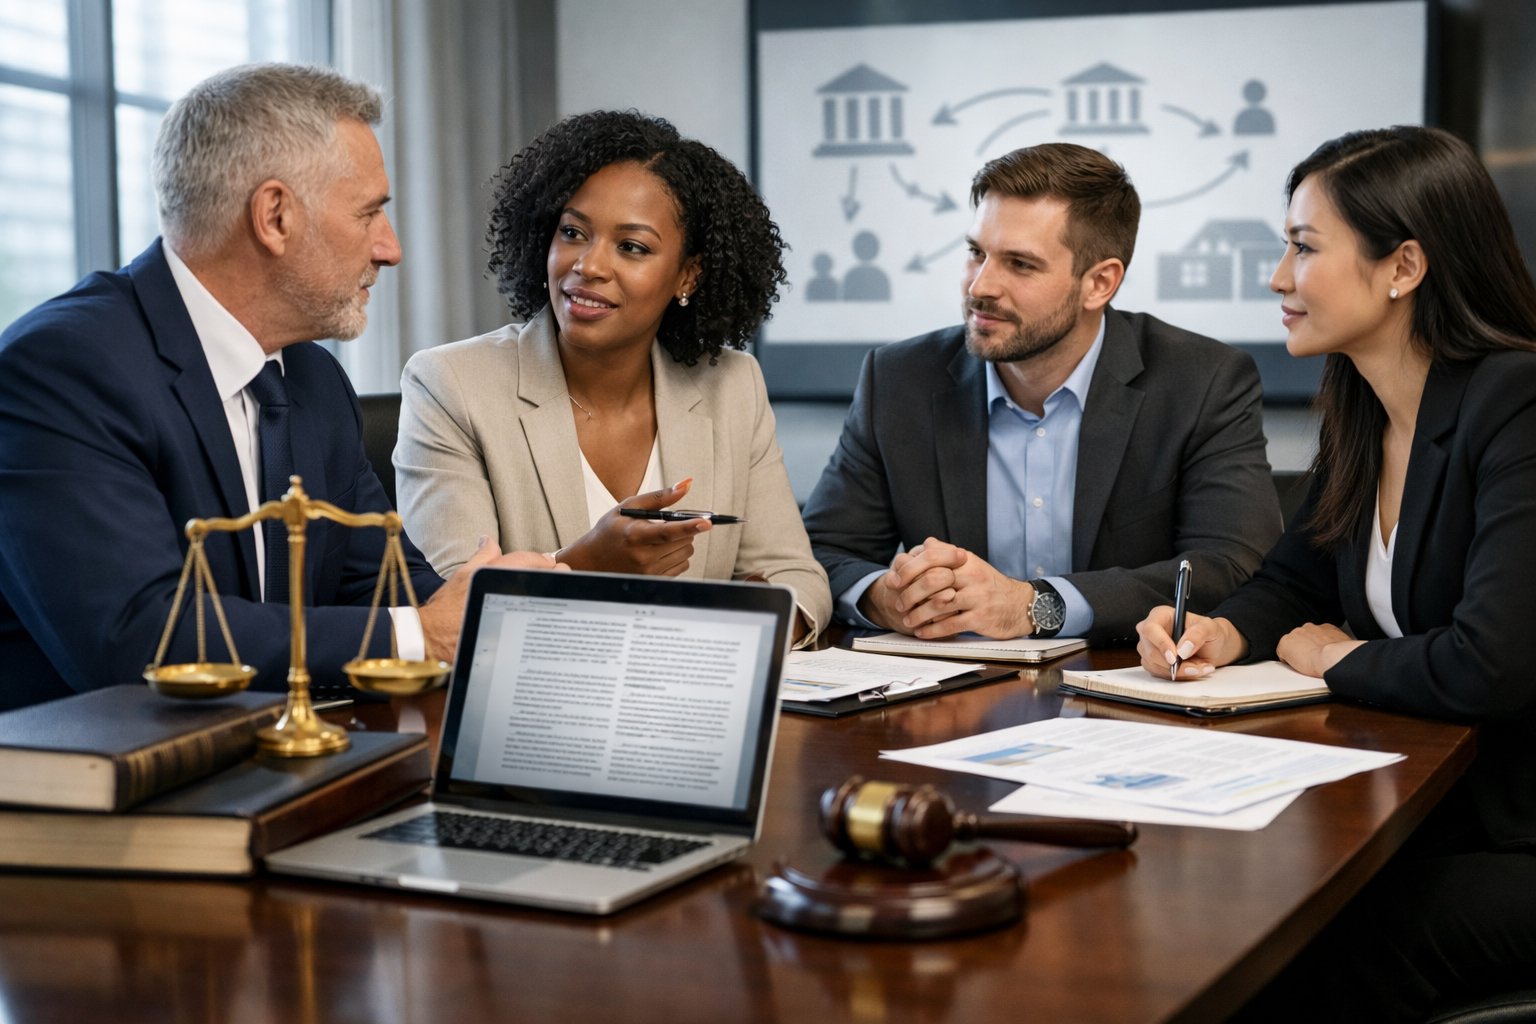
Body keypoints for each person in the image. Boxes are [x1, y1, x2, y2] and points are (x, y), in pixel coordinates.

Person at [0, 63, 554, 712]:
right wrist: (421, 634)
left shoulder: (314, 377)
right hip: (98, 797)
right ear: (275, 216)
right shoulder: (61, 368)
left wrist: (492, 606)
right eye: (370, 213)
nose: (390, 249)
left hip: (275, 773)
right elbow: (139, 639)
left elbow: (379, 589)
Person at [1135, 126, 1536, 1020]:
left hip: (1517, 833)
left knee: (1317, 941)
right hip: (1443, 811)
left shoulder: (1517, 401)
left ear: (1404, 267)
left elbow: (1492, 663)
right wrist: (1220, 631)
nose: (1278, 277)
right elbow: (1295, 582)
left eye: (1303, 248)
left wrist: (1334, 660)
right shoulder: (1362, 404)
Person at [801, 142, 1280, 645]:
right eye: (976, 253)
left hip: (1124, 690)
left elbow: (1230, 564)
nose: (980, 286)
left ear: (1099, 283)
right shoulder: (899, 379)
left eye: (1020, 264)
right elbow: (821, 551)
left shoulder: (1201, 381)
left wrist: (1034, 606)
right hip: (951, 698)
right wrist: (887, 596)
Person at [394, 110, 830, 645]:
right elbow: (449, 609)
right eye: (573, 232)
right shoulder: (451, 384)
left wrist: (746, 634)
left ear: (687, 274)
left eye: (632, 247)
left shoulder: (732, 385)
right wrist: (583, 565)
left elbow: (797, 580)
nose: (589, 265)